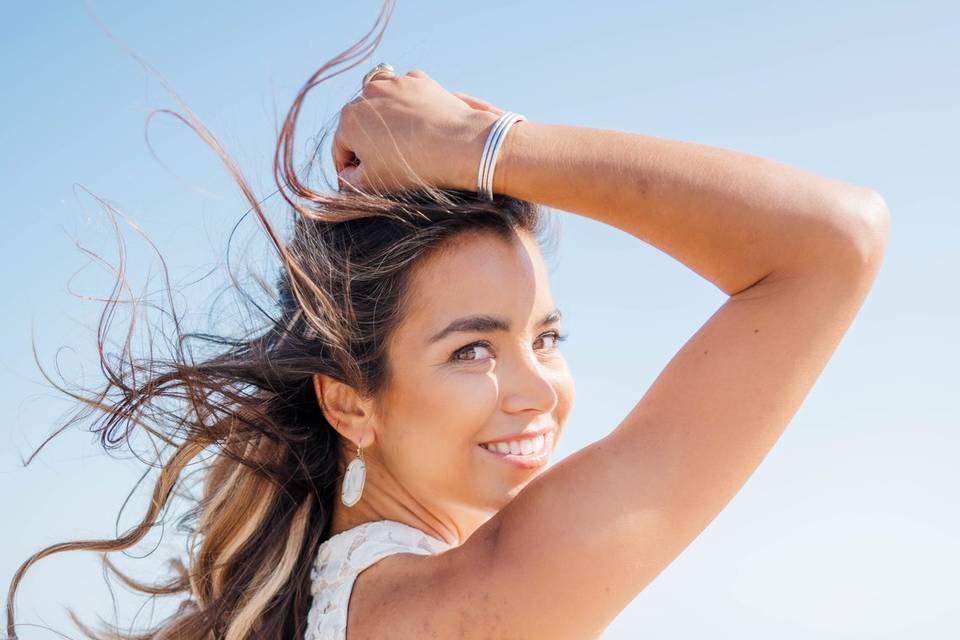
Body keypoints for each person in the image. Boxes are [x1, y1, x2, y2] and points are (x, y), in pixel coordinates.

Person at [5, 30, 890, 640]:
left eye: (545, 336)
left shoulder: (360, 599)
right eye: (473, 348)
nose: (538, 388)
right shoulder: (462, 604)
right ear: (351, 402)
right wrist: (482, 143)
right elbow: (831, 243)